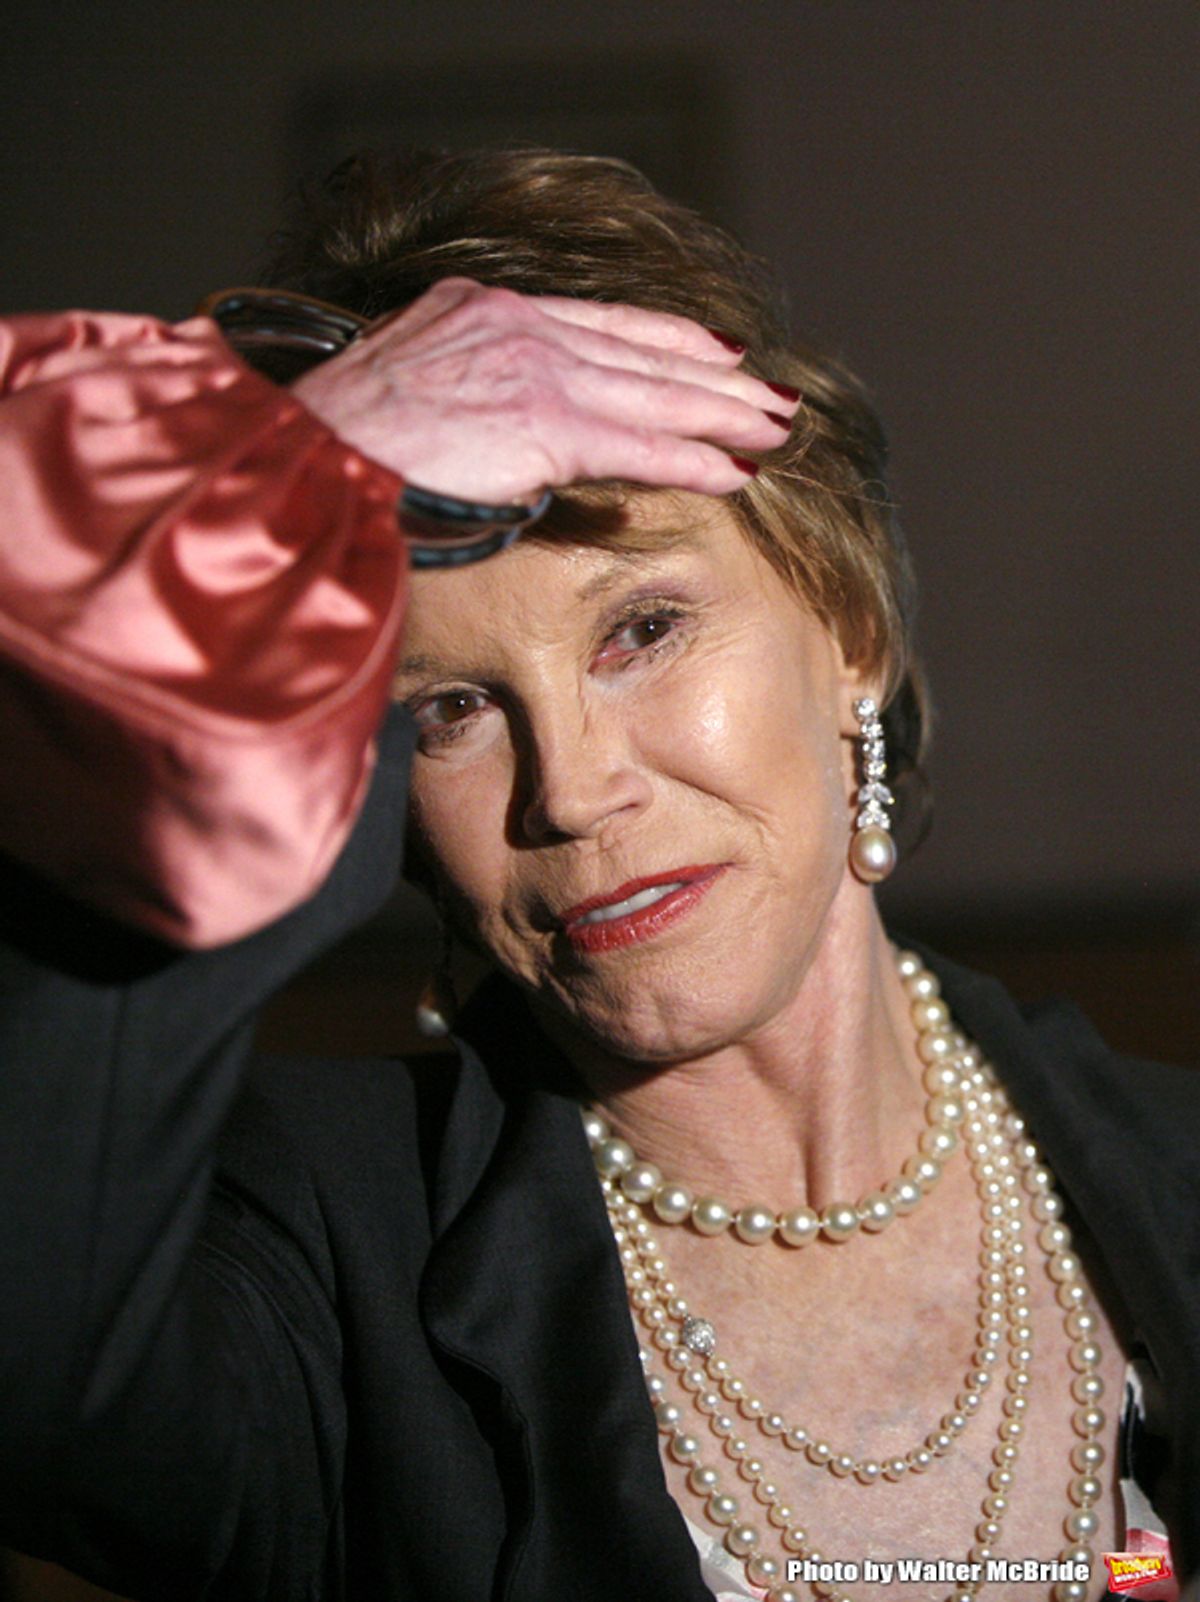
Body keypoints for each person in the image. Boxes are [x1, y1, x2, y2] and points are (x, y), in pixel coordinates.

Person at [0, 149, 1195, 1602]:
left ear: (849, 627)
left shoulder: (1169, 1169)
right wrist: (278, 504)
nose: (568, 785)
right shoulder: (320, 1262)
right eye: (447, 710)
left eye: (640, 628)